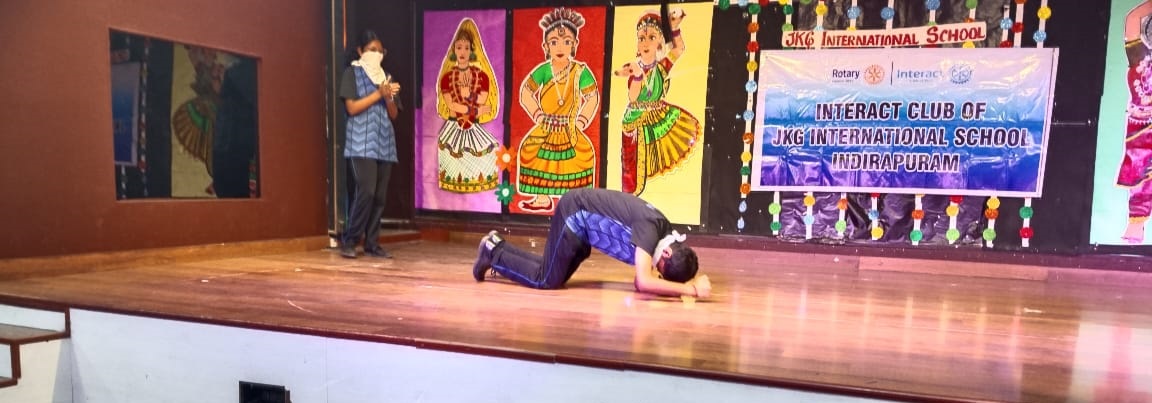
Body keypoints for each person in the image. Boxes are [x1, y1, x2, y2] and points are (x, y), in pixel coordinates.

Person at [472, 188, 711, 298]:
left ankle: (496, 245)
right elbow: (643, 282)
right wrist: (690, 290)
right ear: (666, 253)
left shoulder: (663, 232)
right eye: (660, 268)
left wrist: (686, 281)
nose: (655, 269)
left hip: (583, 228)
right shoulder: (650, 230)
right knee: (546, 279)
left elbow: (642, 283)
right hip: (574, 214)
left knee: (551, 271)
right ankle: (492, 252)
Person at [514, 7, 600, 212]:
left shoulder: (580, 71)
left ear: (575, 44)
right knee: (530, 152)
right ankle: (542, 198)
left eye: (566, 42)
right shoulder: (544, 70)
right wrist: (538, 115)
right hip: (546, 125)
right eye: (554, 42)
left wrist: (581, 121)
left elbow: (592, 97)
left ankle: (573, 201)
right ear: (545, 46)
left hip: (570, 128)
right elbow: (526, 92)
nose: (560, 47)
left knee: (581, 157)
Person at [613, 9, 699, 196]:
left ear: (660, 42)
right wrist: (637, 75)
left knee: (651, 163)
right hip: (634, 123)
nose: (645, 43)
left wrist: (674, 28)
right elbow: (633, 98)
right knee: (631, 174)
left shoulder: (662, 67)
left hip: (656, 118)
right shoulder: (633, 67)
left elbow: (679, 49)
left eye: (651, 37)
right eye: (641, 38)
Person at [339, 30, 401, 259]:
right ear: (360, 51)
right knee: (366, 191)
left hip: (384, 143)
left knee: (379, 197)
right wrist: (378, 94)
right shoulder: (351, 73)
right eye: (371, 50)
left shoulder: (387, 77)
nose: (376, 54)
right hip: (361, 143)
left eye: (380, 51)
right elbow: (352, 108)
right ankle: (350, 239)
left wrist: (388, 96)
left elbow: (393, 114)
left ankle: (372, 243)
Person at [435, 18, 501, 193]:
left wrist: (469, 98)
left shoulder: (482, 76)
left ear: (472, 50)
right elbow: (451, 105)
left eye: (466, 47)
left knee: (483, 160)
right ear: (454, 50)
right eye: (459, 47)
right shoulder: (447, 78)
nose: (462, 51)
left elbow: (482, 99)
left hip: (473, 127)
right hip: (453, 127)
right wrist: (475, 109)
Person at [1118, 0, 1152, 244]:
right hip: (1141, 125)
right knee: (1139, 176)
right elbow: (1132, 20)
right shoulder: (1139, 54)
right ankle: (1135, 225)